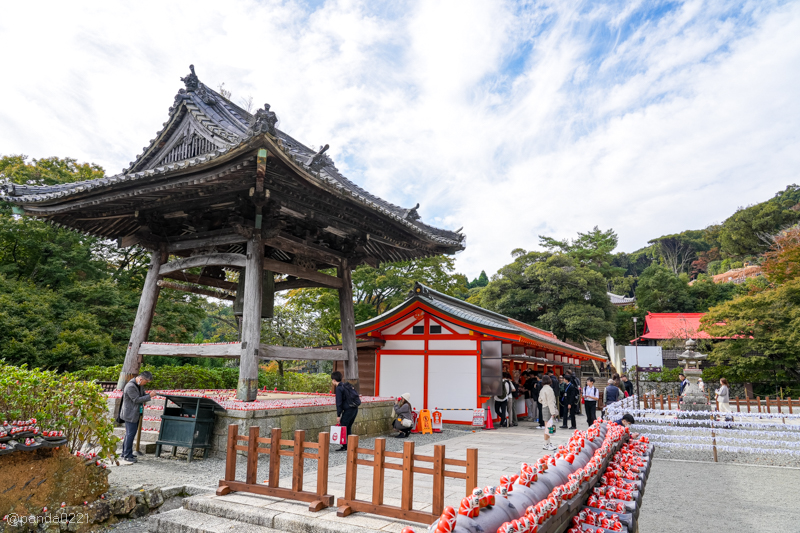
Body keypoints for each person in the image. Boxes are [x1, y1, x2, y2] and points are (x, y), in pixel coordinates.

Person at [120, 371, 152, 464]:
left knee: (130, 434)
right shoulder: (130, 386)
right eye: (145, 382)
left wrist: (148, 396)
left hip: (135, 413)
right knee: (130, 434)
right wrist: (149, 396)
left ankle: (125, 452)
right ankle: (127, 455)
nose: (145, 384)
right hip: (130, 413)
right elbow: (136, 399)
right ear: (141, 379)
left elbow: (142, 395)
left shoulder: (139, 385)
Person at [332, 371, 360, 451]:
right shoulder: (346, 385)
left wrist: (338, 415)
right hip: (354, 408)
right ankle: (350, 445)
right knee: (348, 427)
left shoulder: (339, 388)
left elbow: (339, 403)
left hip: (348, 410)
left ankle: (345, 446)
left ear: (334, 380)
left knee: (343, 427)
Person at [539, 375, 558, 450]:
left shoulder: (542, 389)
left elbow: (539, 399)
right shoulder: (549, 389)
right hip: (549, 408)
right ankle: (546, 444)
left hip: (544, 407)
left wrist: (544, 402)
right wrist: (553, 412)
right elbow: (551, 402)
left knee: (547, 426)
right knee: (548, 427)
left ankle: (548, 443)